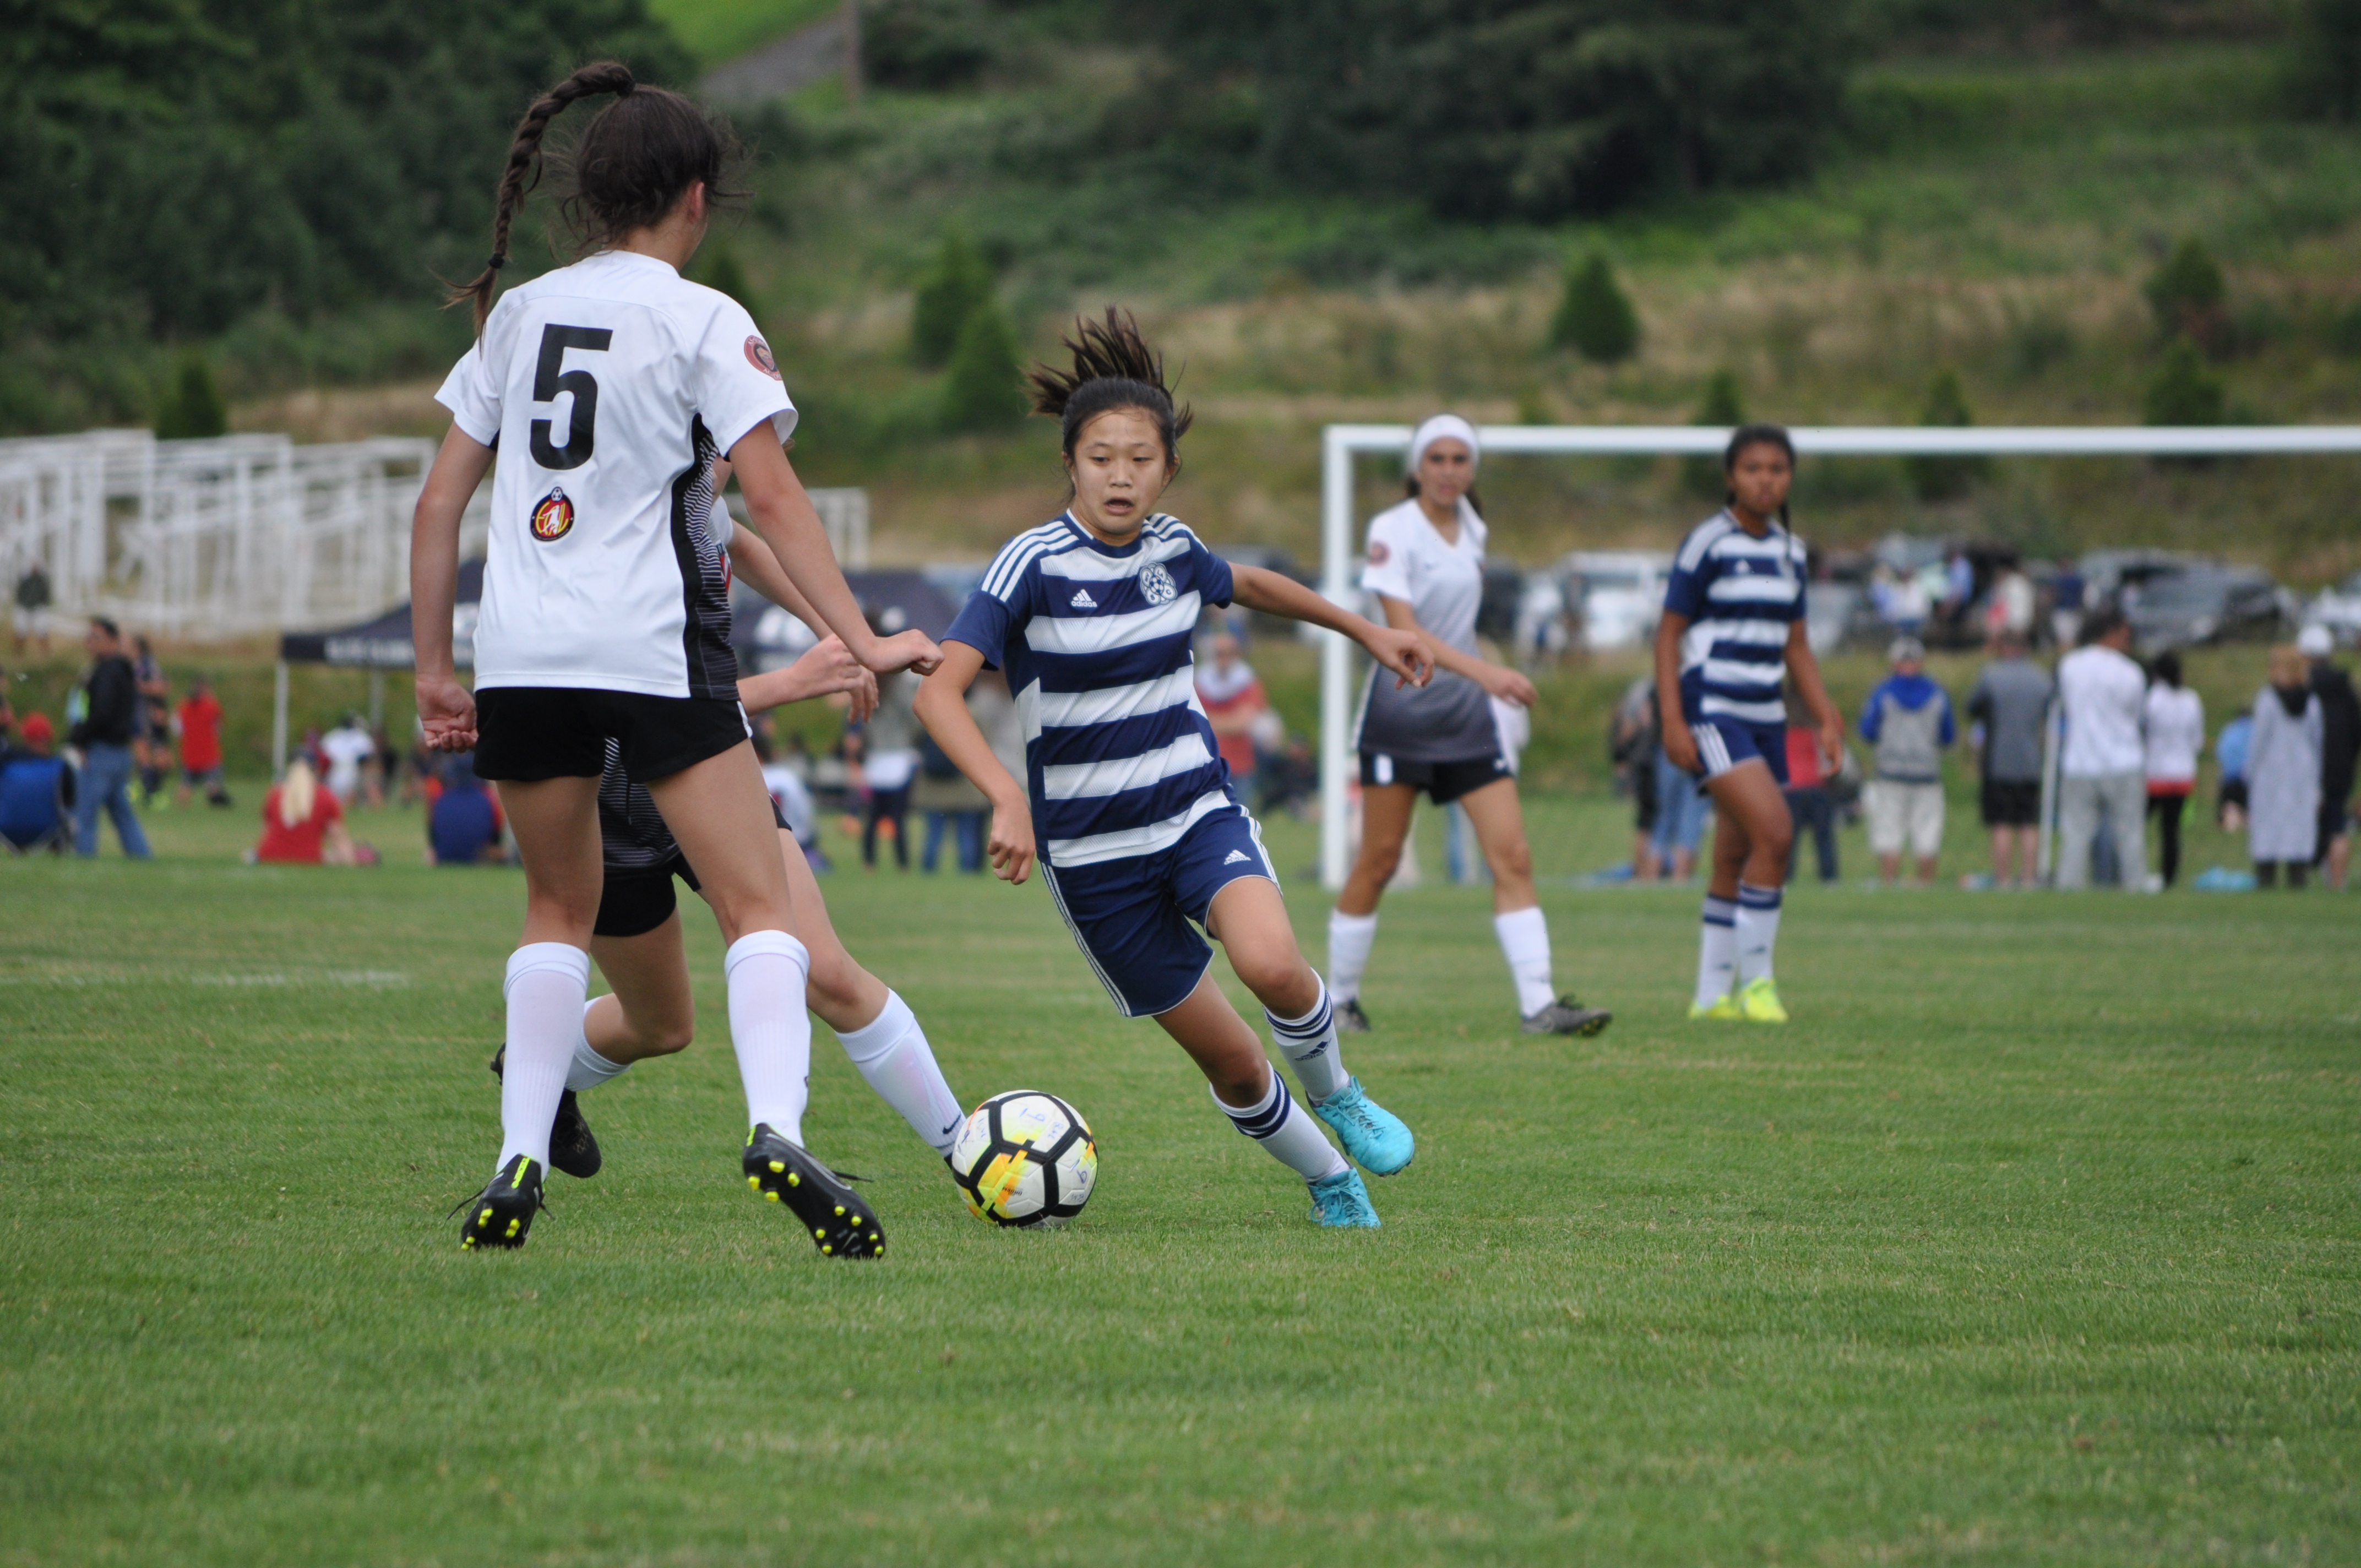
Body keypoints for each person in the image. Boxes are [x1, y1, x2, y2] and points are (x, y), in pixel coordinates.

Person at [411, 61, 940, 1256]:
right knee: (761, 906)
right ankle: (774, 1127)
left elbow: (439, 504)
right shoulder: (704, 317)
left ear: (590, 197)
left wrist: (433, 672)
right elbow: (774, 498)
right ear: (694, 200)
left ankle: (515, 1156)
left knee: (555, 907)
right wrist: (858, 637)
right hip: (651, 653)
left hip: (524, 655)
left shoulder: (521, 312)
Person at [914, 310, 1432, 1228]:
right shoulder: (1026, 565)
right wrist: (1005, 797)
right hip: (1096, 867)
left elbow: (1253, 584)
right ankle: (1327, 1175)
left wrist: (1365, 628)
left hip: (1193, 812)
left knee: (1272, 964)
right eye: (1101, 456)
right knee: (1232, 1061)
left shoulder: (1174, 548)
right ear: (1069, 464)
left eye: (1140, 458)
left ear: (1168, 468)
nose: (1120, 474)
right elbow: (940, 693)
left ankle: (1339, 1093)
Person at [512, 522, 969, 1188]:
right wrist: (797, 679)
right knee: (659, 1023)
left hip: (710, 778)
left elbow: (743, 542)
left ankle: (969, 1153)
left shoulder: (697, 494)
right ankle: (540, 1073)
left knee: (828, 971)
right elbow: (634, 708)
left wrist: (837, 635)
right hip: (609, 794)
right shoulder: (622, 517)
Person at [1326, 413, 1610, 1038]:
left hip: (1465, 719)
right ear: (1417, 467)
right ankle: (1338, 1002)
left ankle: (1539, 1006)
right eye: (1438, 458)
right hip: (1401, 713)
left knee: (1513, 854)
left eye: (1460, 459)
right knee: (1376, 861)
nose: (1449, 470)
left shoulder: (1474, 529)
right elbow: (1404, 632)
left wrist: (1478, 682)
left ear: (1472, 468)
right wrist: (1488, 674)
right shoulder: (1391, 530)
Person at [1656, 425, 1845, 1023]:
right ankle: (1757, 984)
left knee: (1736, 850)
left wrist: (1825, 715)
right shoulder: (1707, 542)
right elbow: (1668, 634)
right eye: (1753, 469)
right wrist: (1671, 720)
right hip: (1712, 708)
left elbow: (1795, 645)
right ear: (1731, 476)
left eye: (1777, 469)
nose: (1766, 480)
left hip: (1765, 714)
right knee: (1777, 833)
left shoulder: (1791, 551)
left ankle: (1710, 997)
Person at [2053, 609, 2147, 891]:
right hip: (2123, 761)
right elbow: (2137, 715)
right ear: (2113, 633)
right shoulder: (2131, 672)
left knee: (2076, 835)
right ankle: (2135, 887)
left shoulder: (2070, 665)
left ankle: (2069, 888)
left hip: (2080, 762)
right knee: (2130, 833)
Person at [1859, 635, 1955, 887]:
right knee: (1927, 833)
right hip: (1927, 773)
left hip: (1891, 772)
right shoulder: (1936, 693)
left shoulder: (1883, 692)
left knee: (1889, 832)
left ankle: (1889, 883)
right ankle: (1925, 884)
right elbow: (1948, 735)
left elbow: (1867, 731)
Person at [1966, 631, 2051, 890]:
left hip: (1998, 761)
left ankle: (2002, 879)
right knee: (2028, 823)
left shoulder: (1991, 676)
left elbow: (1973, 708)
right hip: (2031, 761)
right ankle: (2028, 878)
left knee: (2001, 823)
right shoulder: (2042, 679)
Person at [69, 617, 153, 860]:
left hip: (102, 751)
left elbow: (100, 713)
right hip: (120, 752)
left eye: (96, 638)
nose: (90, 643)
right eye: (89, 638)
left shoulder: (107, 671)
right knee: (122, 814)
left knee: (85, 814)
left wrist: (80, 740)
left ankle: (83, 861)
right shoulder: (124, 670)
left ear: (113, 641)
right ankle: (143, 858)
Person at [2247, 645, 2322, 888]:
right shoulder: (2311, 701)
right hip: (2300, 773)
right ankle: (2293, 879)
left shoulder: (2268, 700)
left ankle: (2269, 879)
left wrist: (2249, 771)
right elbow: (2317, 741)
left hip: (2274, 773)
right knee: (2296, 830)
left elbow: (2259, 740)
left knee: (2271, 829)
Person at [2298, 624, 2359, 890]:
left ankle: (2300, 879)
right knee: (2337, 825)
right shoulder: (2346, 689)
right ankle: (2337, 884)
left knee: (2307, 822)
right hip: (2341, 769)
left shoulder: (2303, 689)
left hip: (2308, 768)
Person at [2142, 650, 2204, 890]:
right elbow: (2197, 741)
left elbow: (2145, 735)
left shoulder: (2153, 699)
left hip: (2156, 774)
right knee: (2171, 832)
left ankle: (2133, 870)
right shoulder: (2191, 699)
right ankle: (2169, 878)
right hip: (2183, 775)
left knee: (2137, 825)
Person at [857, 663, 918, 870]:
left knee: (875, 816)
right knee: (896, 816)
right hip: (893, 754)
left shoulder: (869, 687)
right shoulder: (897, 688)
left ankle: (871, 863)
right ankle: (901, 865)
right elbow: (915, 716)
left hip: (883, 756)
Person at [1195, 630, 1267, 794]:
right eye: (1220, 653)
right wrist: (1231, 720)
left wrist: (1212, 721)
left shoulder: (1247, 682)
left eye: (1229, 653)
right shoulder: (1201, 682)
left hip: (1240, 765)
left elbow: (1244, 723)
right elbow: (1195, 722)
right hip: (1208, 766)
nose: (1224, 659)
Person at [254, 756, 359, 865]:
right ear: (316, 771)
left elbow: (266, 831)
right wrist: (351, 860)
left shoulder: (275, 795)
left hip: (269, 855)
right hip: (309, 857)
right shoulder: (325, 797)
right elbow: (337, 836)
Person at [1611, 673, 1660, 879]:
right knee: (1651, 821)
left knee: (1646, 821)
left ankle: (1643, 870)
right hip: (1651, 759)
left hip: (1642, 760)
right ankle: (1645, 871)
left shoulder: (1639, 689)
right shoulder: (1649, 689)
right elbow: (1627, 728)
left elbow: (1624, 729)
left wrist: (1621, 757)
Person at [1782, 711, 1838, 885]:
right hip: (1817, 784)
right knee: (1824, 836)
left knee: (1790, 837)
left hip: (1791, 786)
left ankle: (1786, 877)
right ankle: (1829, 877)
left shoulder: (1782, 725)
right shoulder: (1820, 726)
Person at [427, 755, 507, 865]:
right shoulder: (487, 797)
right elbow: (496, 832)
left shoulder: (441, 797)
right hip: (479, 857)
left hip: (444, 856)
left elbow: (432, 831)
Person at [174, 676, 231, 807]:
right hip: (208, 752)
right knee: (214, 782)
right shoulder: (211, 706)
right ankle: (215, 800)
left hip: (190, 752)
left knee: (186, 783)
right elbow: (219, 728)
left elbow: (177, 729)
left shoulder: (183, 706)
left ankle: (182, 807)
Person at [132, 635, 171, 805]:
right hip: (141, 718)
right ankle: (148, 791)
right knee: (143, 756)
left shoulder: (147, 665)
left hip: (151, 718)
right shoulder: (135, 665)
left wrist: (141, 687)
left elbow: (163, 687)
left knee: (162, 759)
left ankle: (151, 791)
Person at [320, 713, 376, 806]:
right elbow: (368, 758)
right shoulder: (361, 737)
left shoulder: (332, 736)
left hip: (335, 772)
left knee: (337, 797)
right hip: (349, 770)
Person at [14, 561, 52, 652]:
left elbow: (46, 596)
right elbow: (20, 594)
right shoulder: (26, 581)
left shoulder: (42, 582)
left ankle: (45, 654)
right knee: (21, 632)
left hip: (38, 608)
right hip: (25, 608)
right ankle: (19, 653)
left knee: (42, 632)